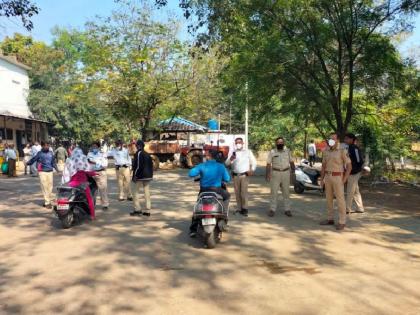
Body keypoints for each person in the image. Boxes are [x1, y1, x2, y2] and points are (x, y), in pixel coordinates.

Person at [188, 149, 231, 237]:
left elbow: (191, 174)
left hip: (204, 190)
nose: (204, 157)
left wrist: (198, 170)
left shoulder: (202, 165)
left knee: (198, 205)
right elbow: (227, 179)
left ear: (209, 157)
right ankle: (224, 216)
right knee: (227, 196)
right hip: (217, 190)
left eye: (205, 155)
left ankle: (193, 229)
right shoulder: (221, 166)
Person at [320, 133, 352, 231]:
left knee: (340, 200)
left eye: (333, 139)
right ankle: (330, 219)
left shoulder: (342, 150)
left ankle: (342, 221)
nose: (331, 140)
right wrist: (322, 179)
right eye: (330, 139)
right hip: (328, 177)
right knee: (328, 199)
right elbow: (323, 166)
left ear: (337, 140)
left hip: (338, 177)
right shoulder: (326, 151)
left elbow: (349, 166)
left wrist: (345, 179)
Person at [225, 137, 257, 217]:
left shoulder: (247, 152)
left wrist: (252, 170)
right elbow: (227, 163)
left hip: (244, 175)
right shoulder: (232, 152)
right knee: (237, 193)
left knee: (244, 193)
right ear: (235, 144)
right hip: (235, 175)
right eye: (237, 143)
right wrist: (231, 159)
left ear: (243, 143)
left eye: (240, 142)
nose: (238, 144)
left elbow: (254, 162)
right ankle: (239, 209)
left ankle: (245, 209)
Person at [62, 148, 97, 219]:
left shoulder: (70, 160)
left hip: (72, 183)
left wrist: (64, 182)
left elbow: (66, 173)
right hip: (83, 184)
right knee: (90, 199)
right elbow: (89, 172)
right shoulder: (83, 162)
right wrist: (96, 173)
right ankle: (92, 215)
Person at [266, 137, 295, 217]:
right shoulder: (272, 152)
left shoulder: (288, 151)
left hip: (286, 173)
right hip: (275, 173)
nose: (280, 143)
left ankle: (287, 209)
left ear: (284, 143)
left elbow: (291, 162)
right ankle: (272, 209)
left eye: (281, 142)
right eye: (278, 142)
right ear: (276, 143)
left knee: (286, 192)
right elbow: (268, 164)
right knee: (274, 192)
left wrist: (293, 172)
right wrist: (267, 175)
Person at [27, 141, 59, 208]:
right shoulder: (39, 153)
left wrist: (57, 169)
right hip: (42, 172)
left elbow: (53, 163)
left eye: (48, 145)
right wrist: (28, 163)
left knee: (50, 187)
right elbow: (34, 159)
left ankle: (48, 200)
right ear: (42, 146)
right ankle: (47, 202)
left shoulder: (51, 153)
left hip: (50, 172)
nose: (47, 147)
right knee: (44, 187)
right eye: (45, 145)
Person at [131, 140, 154, 216]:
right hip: (148, 176)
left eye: (136, 145)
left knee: (135, 192)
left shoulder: (139, 153)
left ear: (138, 146)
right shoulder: (147, 154)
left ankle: (137, 209)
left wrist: (135, 175)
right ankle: (148, 210)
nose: (135, 147)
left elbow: (138, 166)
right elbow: (151, 165)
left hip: (140, 176)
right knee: (147, 193)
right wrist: (151, 175)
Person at [344, 133, 365, 214]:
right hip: (352, 172)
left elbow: (359, 160)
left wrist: (355, 169)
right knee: (355, 190)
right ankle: (360, 208)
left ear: (352, 139)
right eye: (345, 138)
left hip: (354, 172)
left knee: (350, 190)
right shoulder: (349, 147)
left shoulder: (354, 148)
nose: (345, 140)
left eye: (347, 138)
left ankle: (347, 209)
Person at [87, 141, 109, 210]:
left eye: (95, 147)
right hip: (91, 174)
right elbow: (87, 162)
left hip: (100, 173)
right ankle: (92, 204)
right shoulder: (89, 154)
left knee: (103, 189)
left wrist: (95, 162)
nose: (94, 148)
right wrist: (97, 163)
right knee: (91, 190)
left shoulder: (102, 154)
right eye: (93, 147)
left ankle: (105, 204)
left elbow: (105, 165)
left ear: (98, 147)